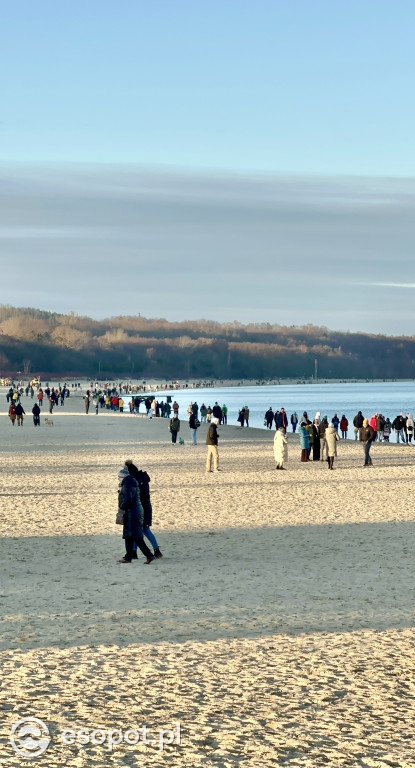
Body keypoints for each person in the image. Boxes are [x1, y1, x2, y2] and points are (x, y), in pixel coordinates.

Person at [117, 461, 155, 564]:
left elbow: (128, 499)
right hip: (136, 512)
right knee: (130, 536)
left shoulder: (127, 485)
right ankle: (128, 557)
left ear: (123, 477)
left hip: (132, 513)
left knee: (135, 537)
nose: (118, 479)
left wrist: (122, 507)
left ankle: (149, 555)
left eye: (119, 477)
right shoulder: (132, 482)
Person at [125, 461, 163, 559]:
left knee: (143, 530)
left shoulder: (136, 481)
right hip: (146, 507)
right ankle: (138, 552)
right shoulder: (142, 478)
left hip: (141, 508)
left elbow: (140, 496)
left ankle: (155, 551)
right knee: (140, 530)